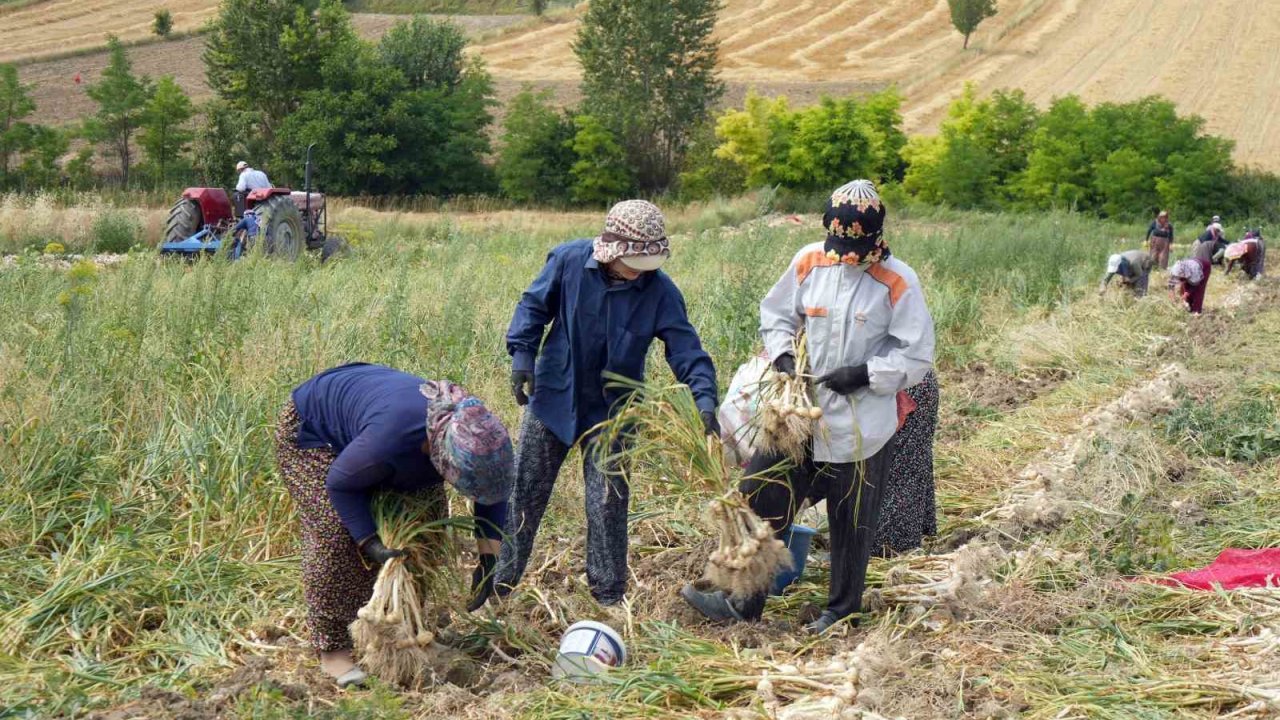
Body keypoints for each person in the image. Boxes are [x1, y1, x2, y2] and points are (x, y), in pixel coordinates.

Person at [681, 180, 935, 634]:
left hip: (860, 425)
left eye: (857, 246)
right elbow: (776, 315)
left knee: (851, 520)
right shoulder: (809, 260)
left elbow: (915, 355)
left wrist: (864, 375)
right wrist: (781, 353)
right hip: (795, 418)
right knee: (761, 495)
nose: (847, 255)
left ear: (874, 237)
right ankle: (743, 602)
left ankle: (841, 610)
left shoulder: (898, 281)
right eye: (839, 244)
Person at [496, 200, 719, 606]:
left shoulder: (661, 292)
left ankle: (608, 598)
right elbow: (532, 307)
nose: (641, 269)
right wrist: (522, 357)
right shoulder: (568, 261)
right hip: (554, 396)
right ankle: (499, 585)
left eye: (649, 260)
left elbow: (686, 351)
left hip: (615, 413)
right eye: (635, 260)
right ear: (612, 249)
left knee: (608, 503)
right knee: (525, 493)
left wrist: (704, 401)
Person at [275, 363, 514, 687]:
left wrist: (488, 560)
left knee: (426, 532)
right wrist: (369, 542)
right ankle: (333, 650)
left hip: (385, 434)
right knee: (335, 533)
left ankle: (406, 631)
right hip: (315, 432)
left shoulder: (481, 438)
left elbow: (491, 492)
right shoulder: (391, 441)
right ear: (441, 457)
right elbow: (340, 485)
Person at [875, 371, 940, 556]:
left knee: (897, 469)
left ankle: (886, 547)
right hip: (910, 381)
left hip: (904, 387)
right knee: (907, 465)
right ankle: (898, 542)